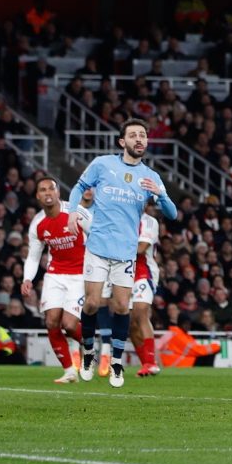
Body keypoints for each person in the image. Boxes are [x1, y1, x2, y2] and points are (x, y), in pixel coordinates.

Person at [67, 118, 178, 387]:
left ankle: (117, 363)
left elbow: (172, 214)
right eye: (133, 135)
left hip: (126, 253)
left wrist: (160, 196)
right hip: (98, 248)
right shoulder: (103, 164)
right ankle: (90, 353)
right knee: (92, 304)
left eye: (143, 135)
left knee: (120, 307)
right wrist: (71, 213)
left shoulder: (151, 177)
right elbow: (80, 188)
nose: (139, 139)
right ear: (122, 141)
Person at [22, 177, 89, 384]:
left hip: (80, 275)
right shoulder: (38, 224)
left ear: (58, 193)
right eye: (43, 190)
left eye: (51, 188)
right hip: (55, 275)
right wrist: (27, 278)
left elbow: (97, 234)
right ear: (38, 196)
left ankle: (90, 347)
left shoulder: (76, 212)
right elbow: (34, 256)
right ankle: (70, 371)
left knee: (69, 325)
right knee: (51, 322)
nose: (48, 192)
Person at [130, 201, 162, 377]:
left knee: (141, 312)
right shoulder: (119, 221)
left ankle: (151, 362)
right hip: (121, 275)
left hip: (144, 272)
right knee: (130, 325)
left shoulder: (149, 221)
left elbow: (141, 248)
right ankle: (146, 364)